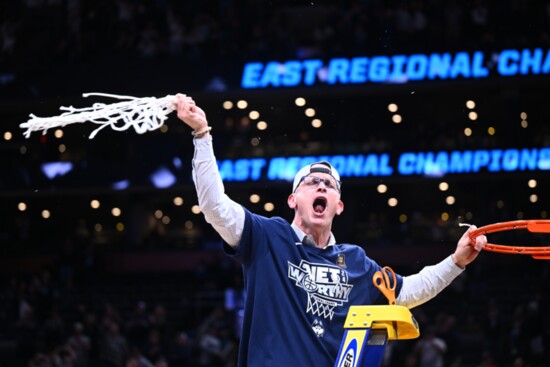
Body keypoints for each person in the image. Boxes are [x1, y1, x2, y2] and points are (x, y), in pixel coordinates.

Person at [174, 94, 487, 366]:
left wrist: (456, 262)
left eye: (330, 184)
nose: (321, 184)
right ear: (293, 200)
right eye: (312, 182)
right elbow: (215, 206)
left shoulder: (356, 261)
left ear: (339, 205)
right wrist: (202, 134)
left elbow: (408, 292)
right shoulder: (267, 235)